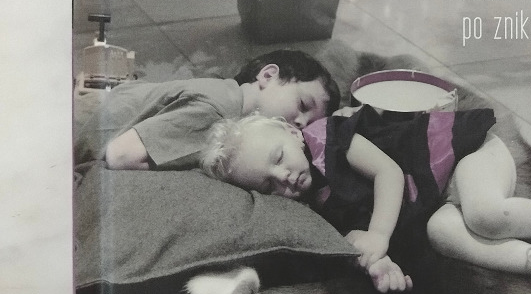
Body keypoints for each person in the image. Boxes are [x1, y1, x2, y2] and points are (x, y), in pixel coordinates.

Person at [199, 105, 531, 294]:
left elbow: (389, 175)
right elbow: (355, 242)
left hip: (464, 153)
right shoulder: (310, 209)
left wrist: (379, 236)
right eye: (268, 184)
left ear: (293, 133)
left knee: (484, 214)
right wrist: (380, 264)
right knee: (441, 234)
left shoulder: (327, 137)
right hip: (437, 198)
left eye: (279, 158)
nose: (284, 177)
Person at [74, 49, 340, 171]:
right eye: (303, 105)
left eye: (310, 123)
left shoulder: (224, 90)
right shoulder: (217, 111)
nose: (301, 124)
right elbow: (120, 155)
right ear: (268, 76)